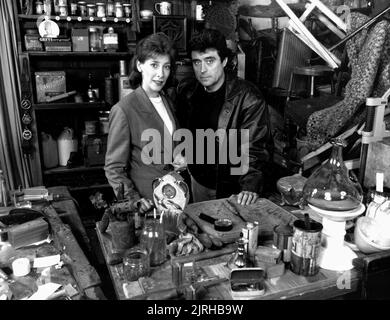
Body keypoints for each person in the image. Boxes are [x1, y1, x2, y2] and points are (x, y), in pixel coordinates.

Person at [176, 29, 273, 206]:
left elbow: (256, 148)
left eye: (209, 61)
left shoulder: (248, 98)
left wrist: (250, 185)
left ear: (224, 61)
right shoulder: (187, 91)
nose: (202, 70)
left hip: (230, 188)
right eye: (197, 62)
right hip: (195, 180)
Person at [104, 33, 180, 213]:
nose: (161, 74)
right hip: (148, 205)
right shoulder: (124, 109)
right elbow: (114, 168)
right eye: (154, 65)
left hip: (173, 198)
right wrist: (134, 200)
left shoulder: (167, 100)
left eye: (166, 67)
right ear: (139, 65)